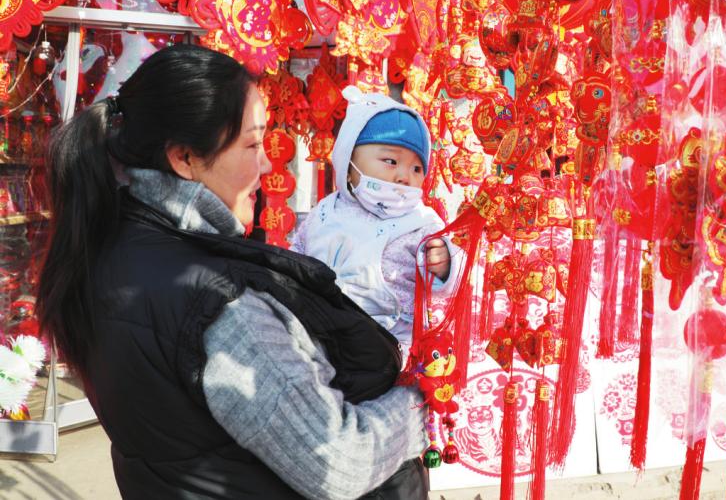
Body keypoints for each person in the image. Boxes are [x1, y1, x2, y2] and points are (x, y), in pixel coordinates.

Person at [37, 44, 428, 499]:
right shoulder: (221, 306)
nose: (267, 163)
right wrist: (423, 404)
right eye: (252, 144)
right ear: (184, 158)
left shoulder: (108, 245)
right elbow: (339, 465)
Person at [292, 87, 462, 361]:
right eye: (390, 161)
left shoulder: (422, 222)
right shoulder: (325, 211)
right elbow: (297, 255)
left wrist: (444, 265)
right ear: (349, 165)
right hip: (319, 337)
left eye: (417, 168)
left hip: (388, 346)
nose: (404, 176)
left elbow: (448, 287)